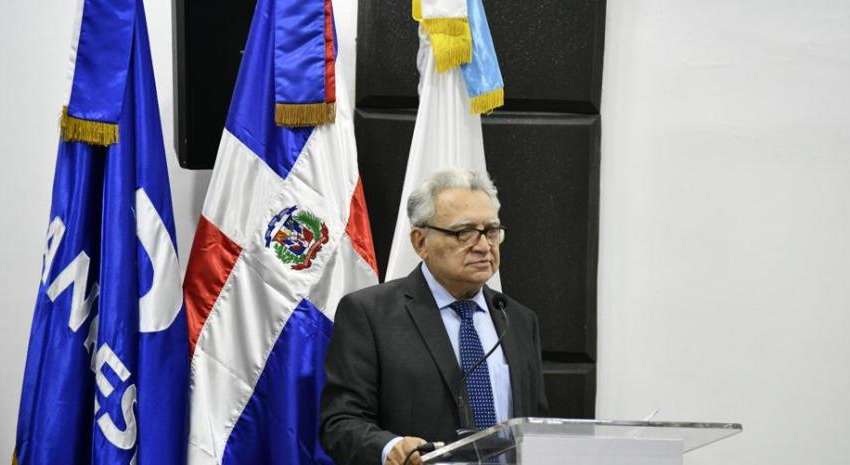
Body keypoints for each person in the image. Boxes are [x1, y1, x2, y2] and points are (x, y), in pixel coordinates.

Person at [320, 169, 548, 465]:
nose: (483, 246)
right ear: (420, 242)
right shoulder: (370, 314)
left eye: (491, 231)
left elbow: (536, 425)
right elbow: (340, 423)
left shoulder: (517, 320)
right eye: (464, 232)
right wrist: (391, 448)